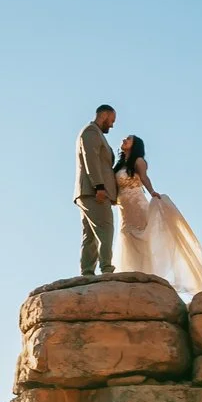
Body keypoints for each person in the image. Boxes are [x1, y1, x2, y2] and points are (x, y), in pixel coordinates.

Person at [112, 134, 202, 296]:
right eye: (124, 139)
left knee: (140, 236)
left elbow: (144, 177)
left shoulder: (138, 161)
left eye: (128, 139)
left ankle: (145, 276)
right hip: (124, 208)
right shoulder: (118, 166)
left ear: (135, 145)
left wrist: (152, 191)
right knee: (126, 236)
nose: (124, 140)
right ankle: (132, 275)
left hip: (137, 202)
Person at [76, 104, 119, 275]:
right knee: (106, 229)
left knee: (90, 235)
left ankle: (87, 272)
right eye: (112, 120)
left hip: (88, 192)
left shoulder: (96, 133)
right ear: (104, 115)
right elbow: (91, 158)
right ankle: (106, 268)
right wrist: (99, 186)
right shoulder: (91, 132)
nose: (112, 125)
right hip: (94, 192)